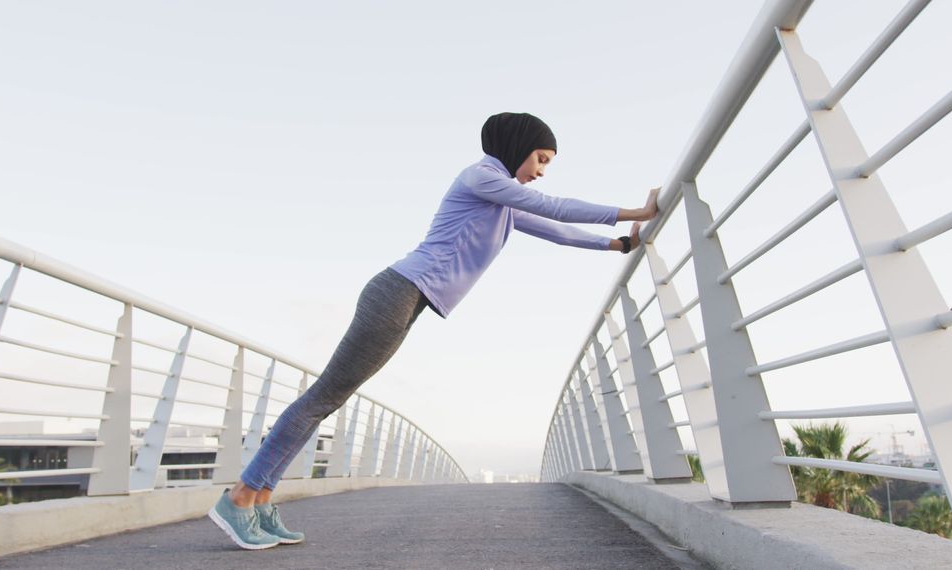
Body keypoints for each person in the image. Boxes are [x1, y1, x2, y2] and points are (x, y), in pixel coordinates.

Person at [208, 112, 660, 549]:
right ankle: (241, 497)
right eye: (541, 158)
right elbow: (554, 205)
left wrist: (618, 244)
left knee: (327, 402)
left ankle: (262, 500)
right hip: (397, 292)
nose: (542, 171)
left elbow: (554, 228)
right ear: (517, 146)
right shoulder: (480, 177)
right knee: (322, 398)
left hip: (410, 299)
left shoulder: (500, 200)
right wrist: (635, 211)